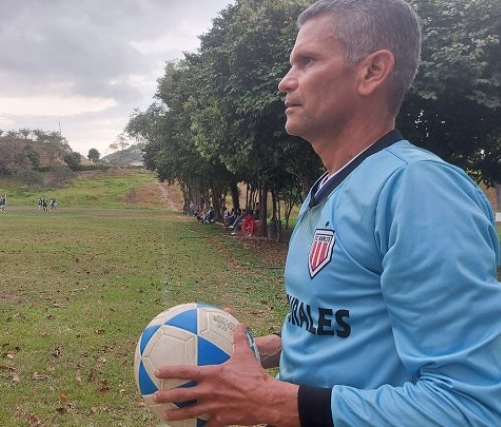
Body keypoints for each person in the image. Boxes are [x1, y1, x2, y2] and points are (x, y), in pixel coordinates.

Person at [153, 1, 501, 426]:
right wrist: (270, 348)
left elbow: (472, 406)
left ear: (372, 71)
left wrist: (272, 403)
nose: (284, 82)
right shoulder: (327, 187)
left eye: (307, 61)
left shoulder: (419, 189)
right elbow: (354, 325)